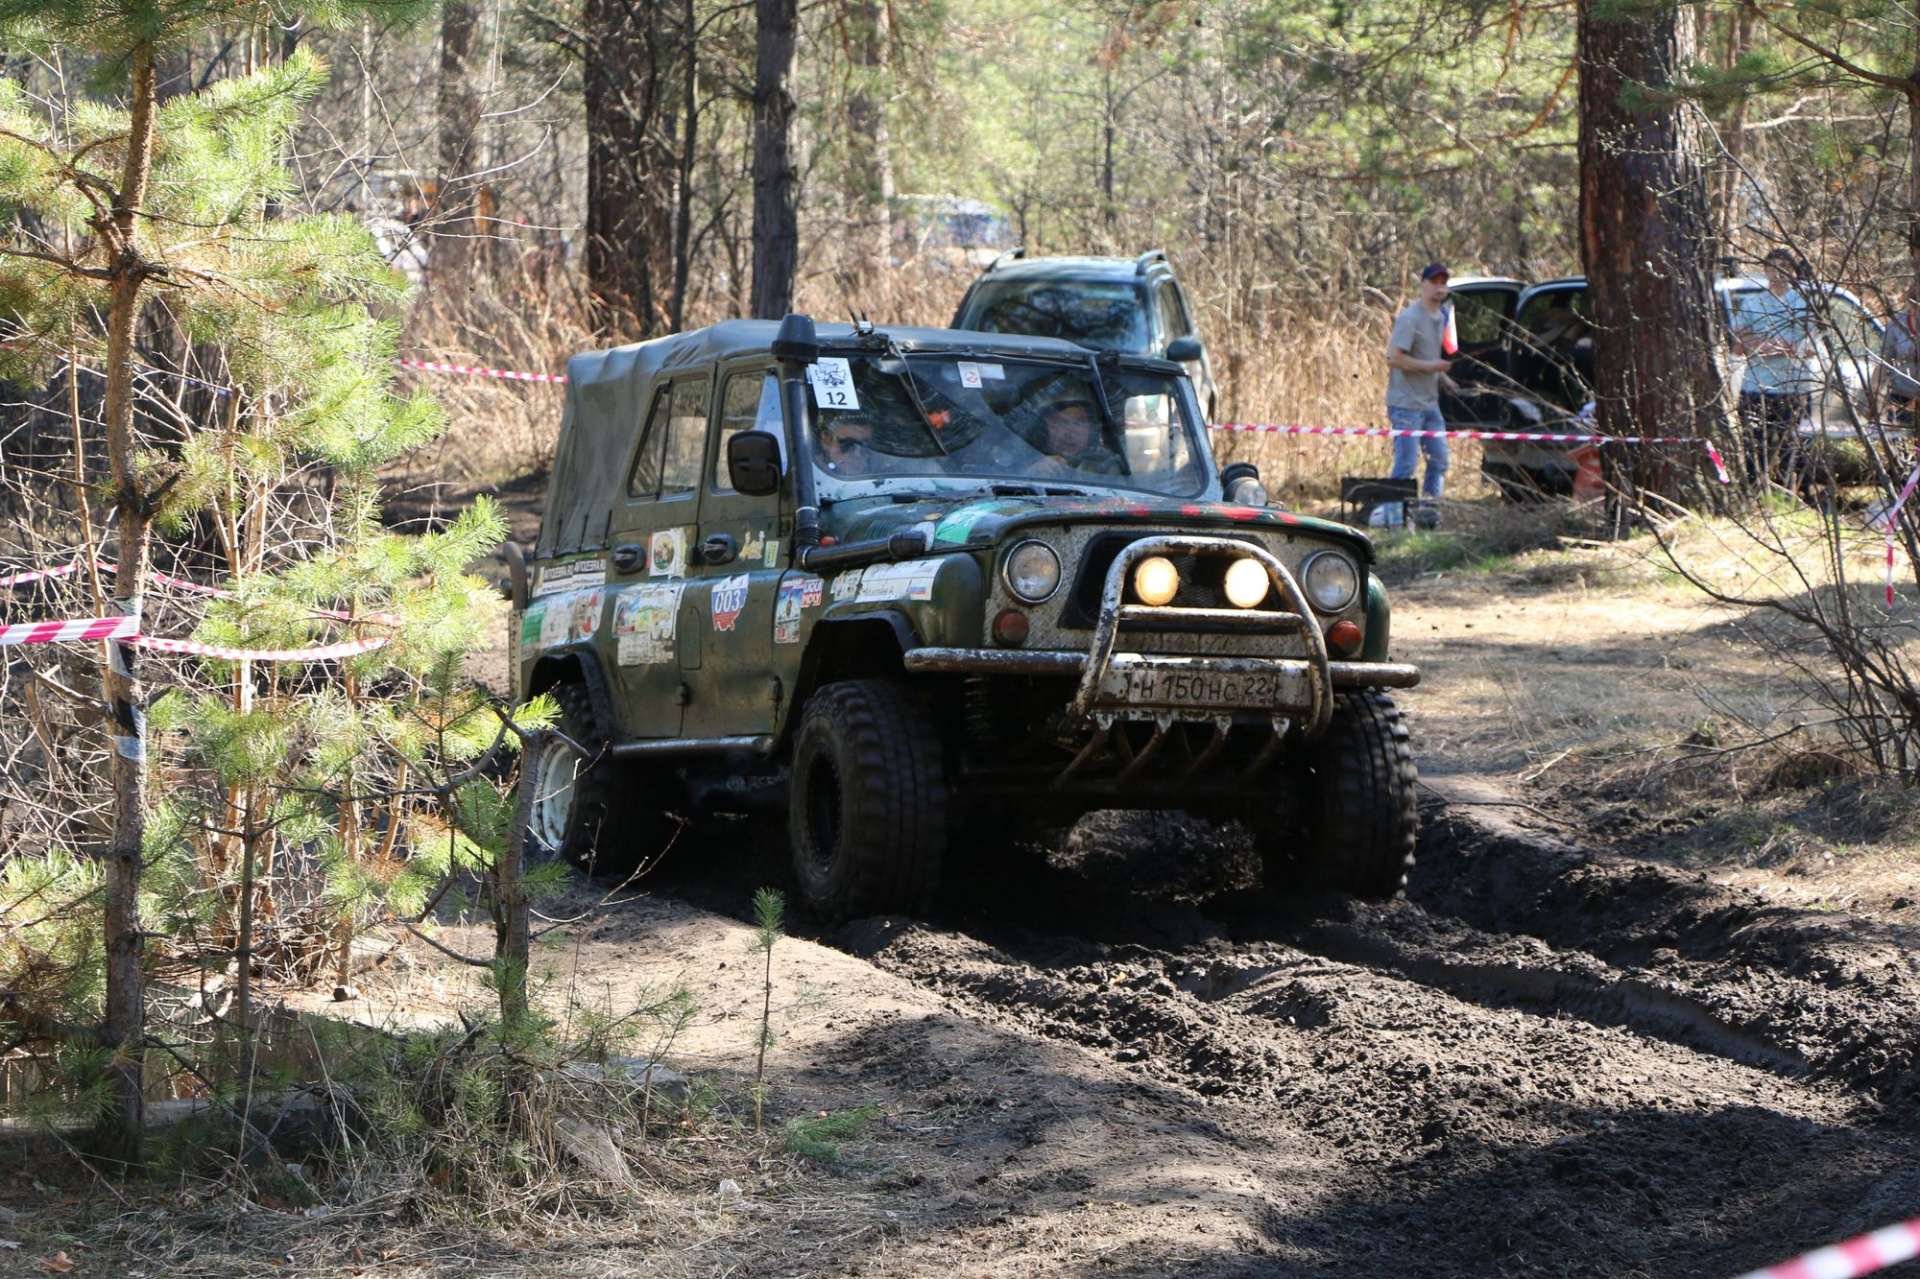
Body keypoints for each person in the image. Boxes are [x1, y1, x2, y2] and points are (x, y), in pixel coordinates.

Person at [1729, 248, 1816, 486]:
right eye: (1773, 266)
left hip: (1793, 387)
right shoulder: (1752, 302)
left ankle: (1793, 493)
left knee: (1794, 446)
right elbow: (1737, 345)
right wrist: (1761, 344)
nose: (1778, 272)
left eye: (1784, 267)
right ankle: (1755, 491)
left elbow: (1810, 347)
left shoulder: (1804, 304)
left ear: (1792, 271)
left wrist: (1786, 347)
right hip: (1756, 385)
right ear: (1765, 269)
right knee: (1755, 444)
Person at [1384, 262, 1461, 526]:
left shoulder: (1440, 317)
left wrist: (1443, 377)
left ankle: (1429, 517)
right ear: (1423, 285)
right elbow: (1393, 357)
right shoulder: (1410, 318)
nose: (1439, 287)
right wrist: (1433, 367)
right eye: (1434, 282)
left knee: (1439, 460)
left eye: (1443, 282)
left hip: (1430, 404)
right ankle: (1396, 521)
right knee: (1406, 465)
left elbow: (1428, 356)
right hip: (1405, 404)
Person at [1031, 391, 1122, 477]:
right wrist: (1034, 475)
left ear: (1092, 428)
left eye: (1080, 423)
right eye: (1060, 422)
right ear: (1044, 426)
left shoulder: (1109, 466)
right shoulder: (1024, 459)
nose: (1070, 433)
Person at [1874, 283, 1920, 430]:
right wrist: (1874, 396)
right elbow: (1883, 363)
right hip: (1900, 398)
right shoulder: (1896, 324)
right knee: (1900, 446)